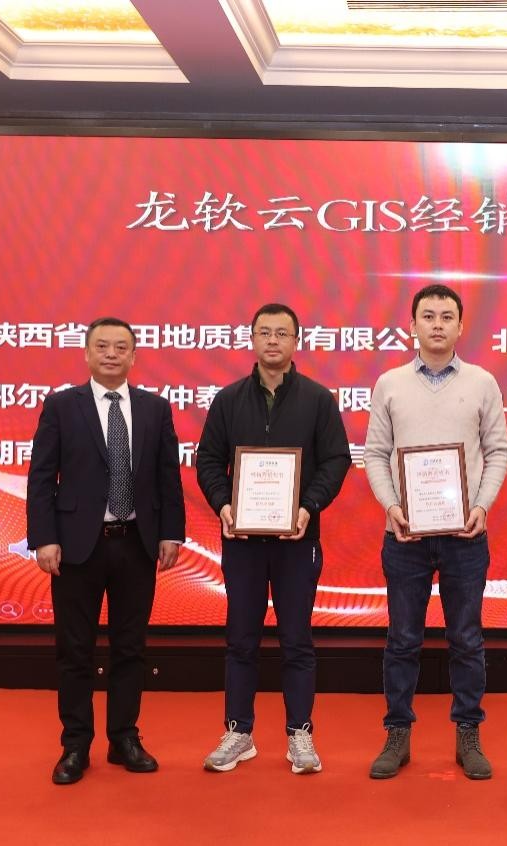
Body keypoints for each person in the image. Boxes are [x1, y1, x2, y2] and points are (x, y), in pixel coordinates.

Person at [27, 316, 185, 785]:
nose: (112, 354)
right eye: (102, 346)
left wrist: (171, 533)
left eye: (121, 347)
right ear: (87, 353)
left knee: (130, 647)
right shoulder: (61, 406)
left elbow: (168, 477)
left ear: (134, 355)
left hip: (136, 542)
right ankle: (75, 745)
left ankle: (124, 738)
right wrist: (44, 537)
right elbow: (42, 477)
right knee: (75, 649)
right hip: (78, 545)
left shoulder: (155, 408)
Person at [363, 283, 507, 780]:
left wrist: (482, 505)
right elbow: (376, 453)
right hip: (405, 536)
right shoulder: (389, 383)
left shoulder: (482, 382)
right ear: (412, 325)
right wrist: (391, 506)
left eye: (447, 316)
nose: (437, 324)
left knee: (466, 639)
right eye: (428, 316)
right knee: (402, 639)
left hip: (465, 537)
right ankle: (397, 733)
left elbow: (498, 451)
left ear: (461, 326)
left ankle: (468, 733)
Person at [195, 303, 351, 775]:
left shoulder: (318, 400)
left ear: (296, 341)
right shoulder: (228, 400)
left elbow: (336, 460)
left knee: (297, 639)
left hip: (297, 539)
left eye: (282, 333)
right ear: (252, 339)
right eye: (264, 332)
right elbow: (208, 461)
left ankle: (300, 733)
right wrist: (224, 505)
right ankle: (239, 732)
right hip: (242, 540)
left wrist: (308, 506)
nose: (273, 341)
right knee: (241, 639)